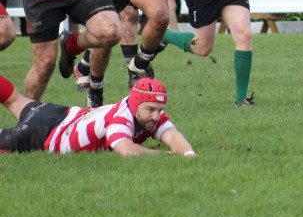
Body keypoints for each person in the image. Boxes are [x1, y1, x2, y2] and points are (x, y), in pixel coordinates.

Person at [0, 74, 195, 156]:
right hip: (46, 133)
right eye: (151, 110)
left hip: (61, 113)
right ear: (136, 106)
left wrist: (188, 155)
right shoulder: (121, 118)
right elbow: (126, 150)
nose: (156, 116)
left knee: (14, 99)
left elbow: (173, 136)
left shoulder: (146, 112)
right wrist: (166, 155)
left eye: (159, 110)